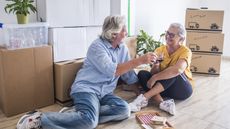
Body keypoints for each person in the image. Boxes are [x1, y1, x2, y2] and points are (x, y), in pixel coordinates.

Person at [16, 15, 157, 129]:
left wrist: (140, 92)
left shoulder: (122, 48)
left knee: (124, 110)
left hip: (105, 93)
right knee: (89, 122)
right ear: (113, 33)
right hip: (87, 89)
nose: (126, 33)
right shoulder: (97, 47)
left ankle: (75, 115)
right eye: (123, 30)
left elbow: (127, 74)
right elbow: (112, 71)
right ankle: (39, 119)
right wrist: (140, 60)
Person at [129, 23, 193, 115]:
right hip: (163, 88)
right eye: (167, 33)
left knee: (173, 71)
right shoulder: (160, 50)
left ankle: (144, 98)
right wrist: (156, 66)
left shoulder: (186, 51)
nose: (168, 36)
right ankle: (162, 103)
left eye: (172, 35)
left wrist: (154, 78)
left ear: (181, 38)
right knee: (142, 74)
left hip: (182, 89)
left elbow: (177, 70)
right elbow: (153, 73)